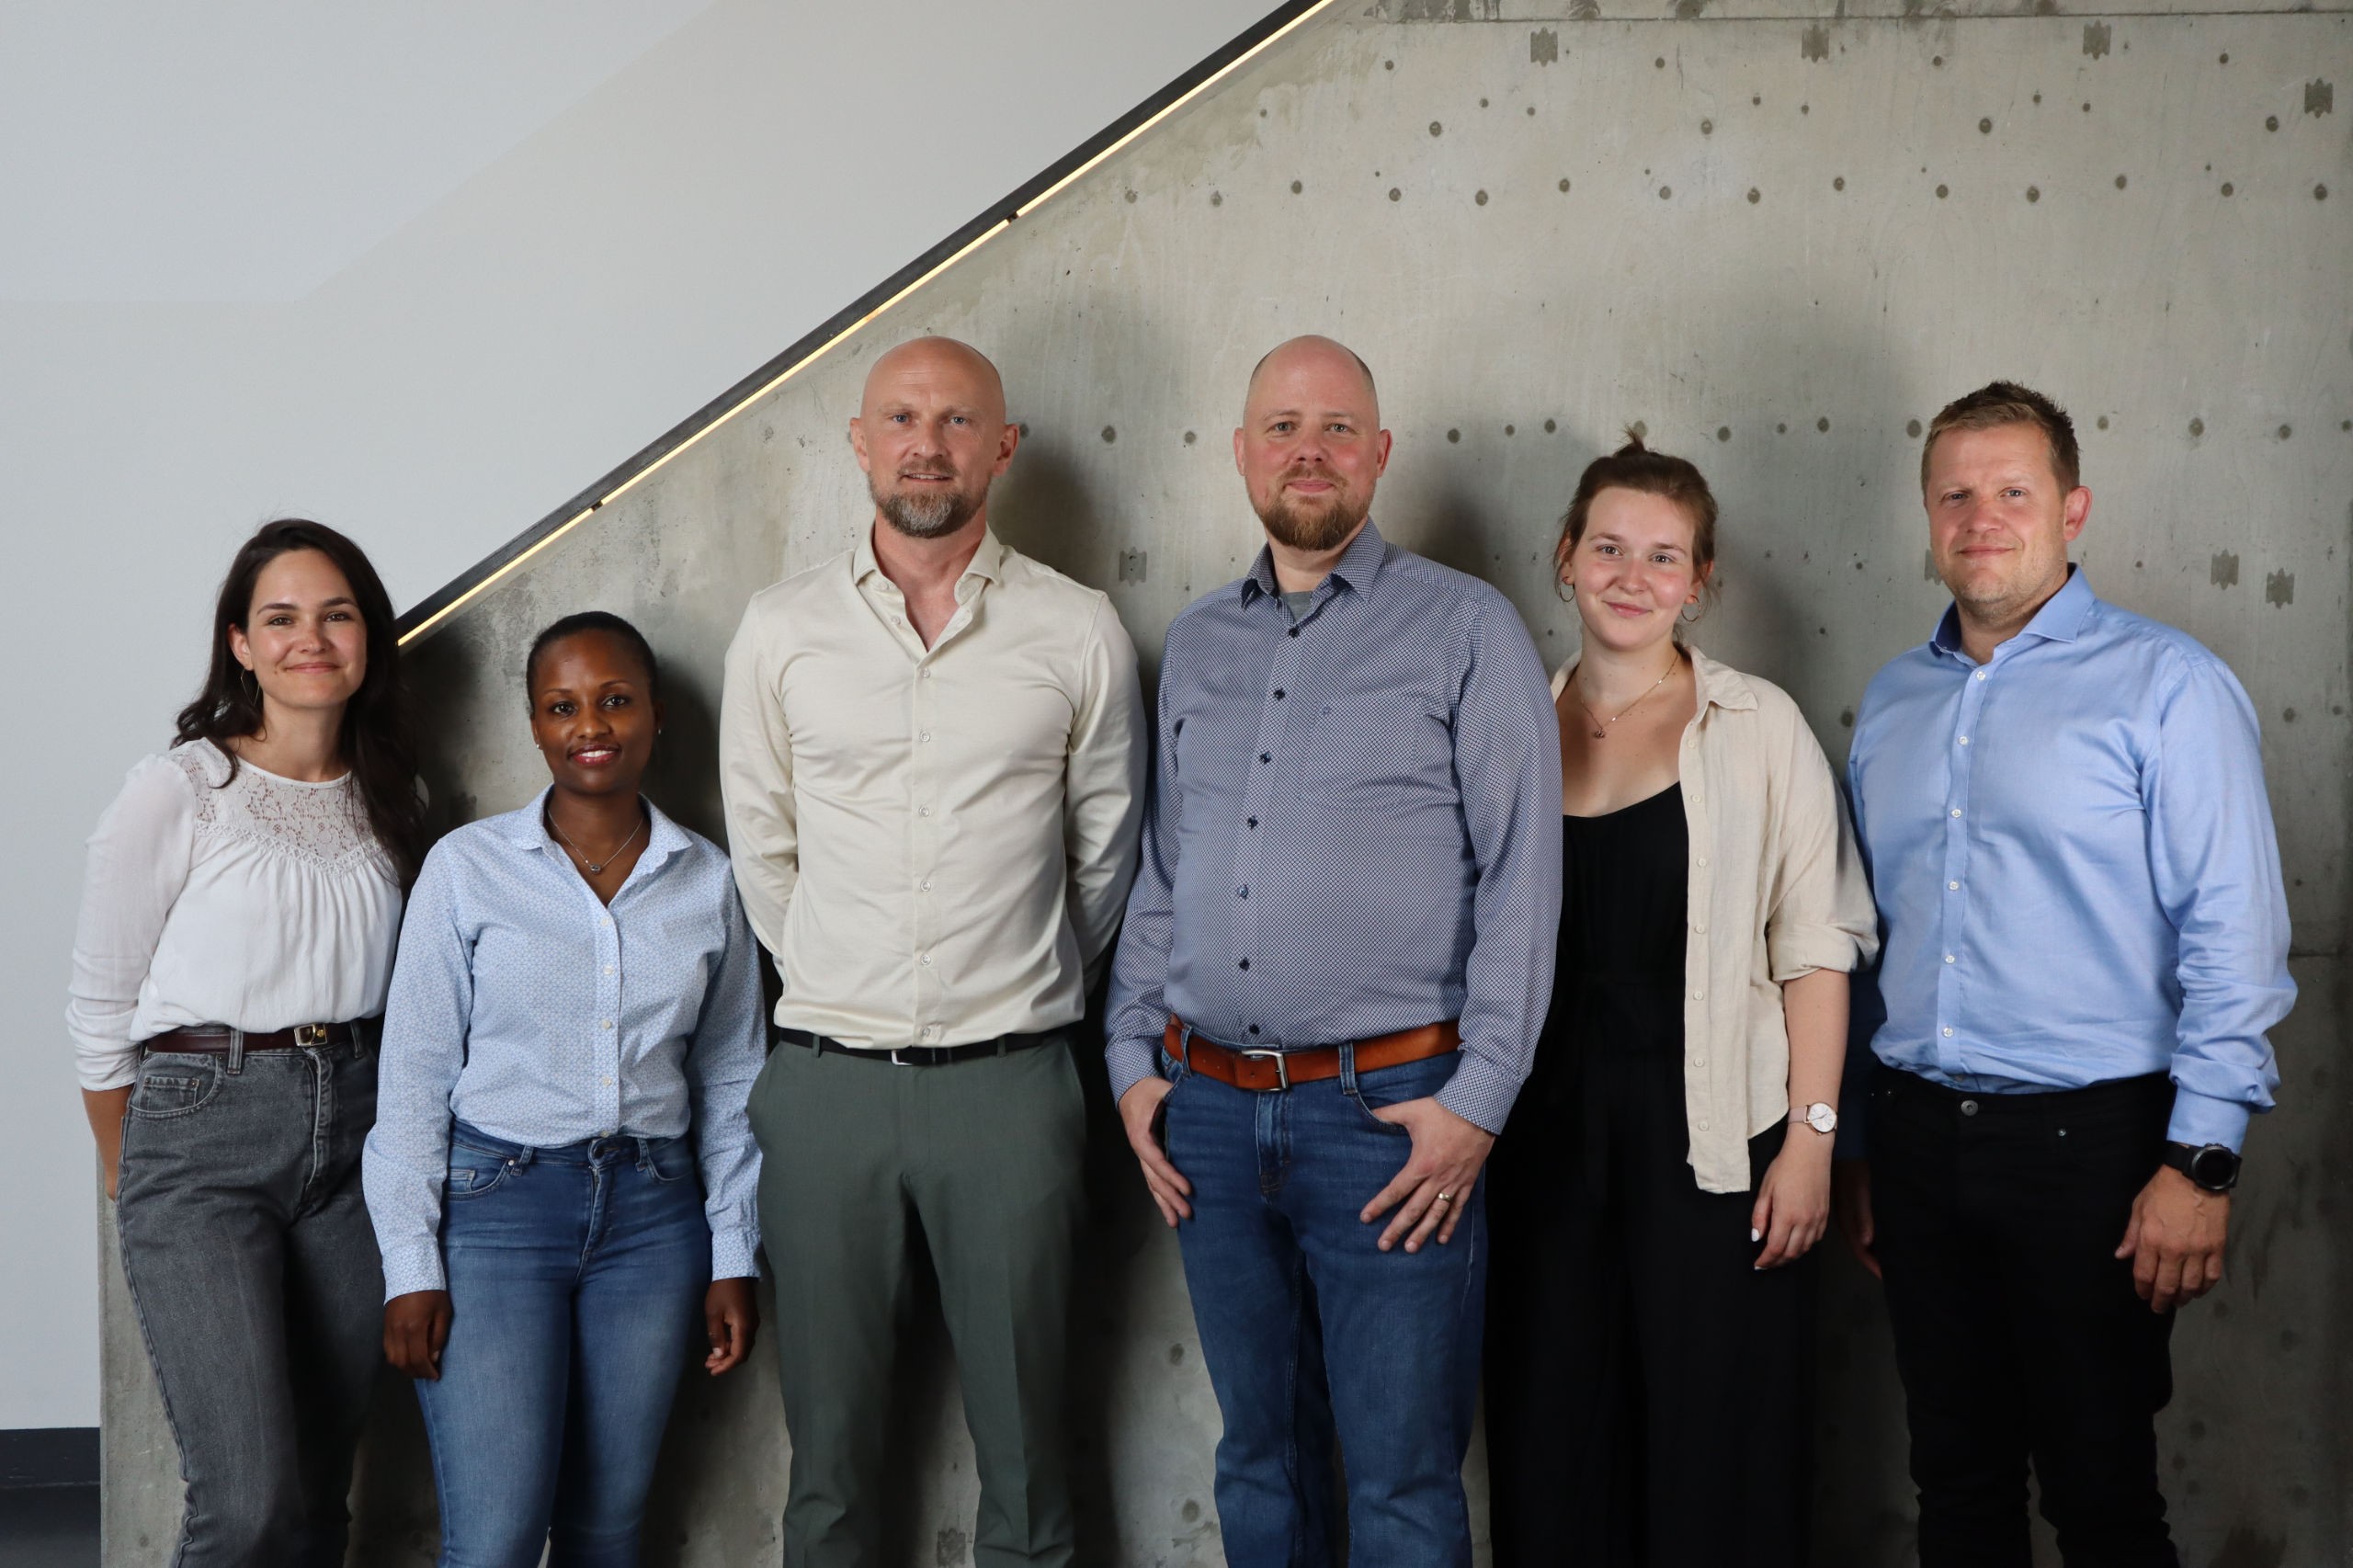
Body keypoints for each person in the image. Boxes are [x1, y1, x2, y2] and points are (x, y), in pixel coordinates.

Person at [1106, 335, 1562, 1566]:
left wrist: (1477, 1102)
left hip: (1393, 1120)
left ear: (1380, 452)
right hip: (1203, 1116)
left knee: (1402, 1479)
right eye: (1284, 427)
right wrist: (1131, 1060)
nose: (1309, 451)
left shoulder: (1466, 627)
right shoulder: (1198, 641)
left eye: (1338, 428)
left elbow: (1524, 876)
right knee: (1259, 1459)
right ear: (1242, 453)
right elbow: (1164, 867)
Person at [1833, 382, 2294, 1566]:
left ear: (2071, 509)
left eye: (2011, 491)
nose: (1979, 517)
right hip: (1918, 1143)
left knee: (2100, 1495)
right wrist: (1865, 1149)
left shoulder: (2169, 685)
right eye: (1954, 494)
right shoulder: (1891, 700)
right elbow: (1868, 939)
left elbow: (2234, 937)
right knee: (1955, 1485)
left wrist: (2201, 1159)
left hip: (2093, 1152)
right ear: (1927, 515)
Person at [718, 336, 1145, 1568]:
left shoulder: (1078, 628)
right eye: (901, 418)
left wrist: (1017, 982)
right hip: (827, 1088)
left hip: (1011, 1087)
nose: (927, 443)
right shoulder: (780, 629)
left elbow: (1103, 852)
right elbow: (763, 845)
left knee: (1031, 1461)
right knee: (830, 1466)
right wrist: (842, 979)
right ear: (860, 441)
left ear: (1000, 446)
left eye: (957, 420)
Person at [1482, 437, 1877, 1567]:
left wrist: (1811, 1140)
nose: (1632, 574)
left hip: (1720, 1137)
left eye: (1663, 556)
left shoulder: (1758, 724)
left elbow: (1815, 948)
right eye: (1608, 546)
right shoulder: (1507, 722)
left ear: (1699, 580)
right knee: (1553, 1437)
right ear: (1564, 556)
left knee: (1718, 1448)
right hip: (1540, 1138)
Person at [363, 611, 765, 1568]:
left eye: (615, 700)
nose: (591, 724)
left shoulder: (708, 880)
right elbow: (413, 1073)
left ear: (656, 716)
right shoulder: (467, 869)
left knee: (607, 1532)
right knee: (496, 1539)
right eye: (563, 705)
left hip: (654, 1222)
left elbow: (731, 1076)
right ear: (536, 725)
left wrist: (733, 1249)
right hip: (495, 1214)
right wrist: (410, 1264)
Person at [67, 518, 426, 1566]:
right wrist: (128, 1168)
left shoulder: (397, 796)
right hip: (203, 1131)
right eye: (280, 618)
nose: (310, 638)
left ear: (368, 636)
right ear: (240, 643)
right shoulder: (180, 787)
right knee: (248, 1498)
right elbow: (99, 1003)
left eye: (336, 614)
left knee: (319, 1487)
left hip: (357, 1133)